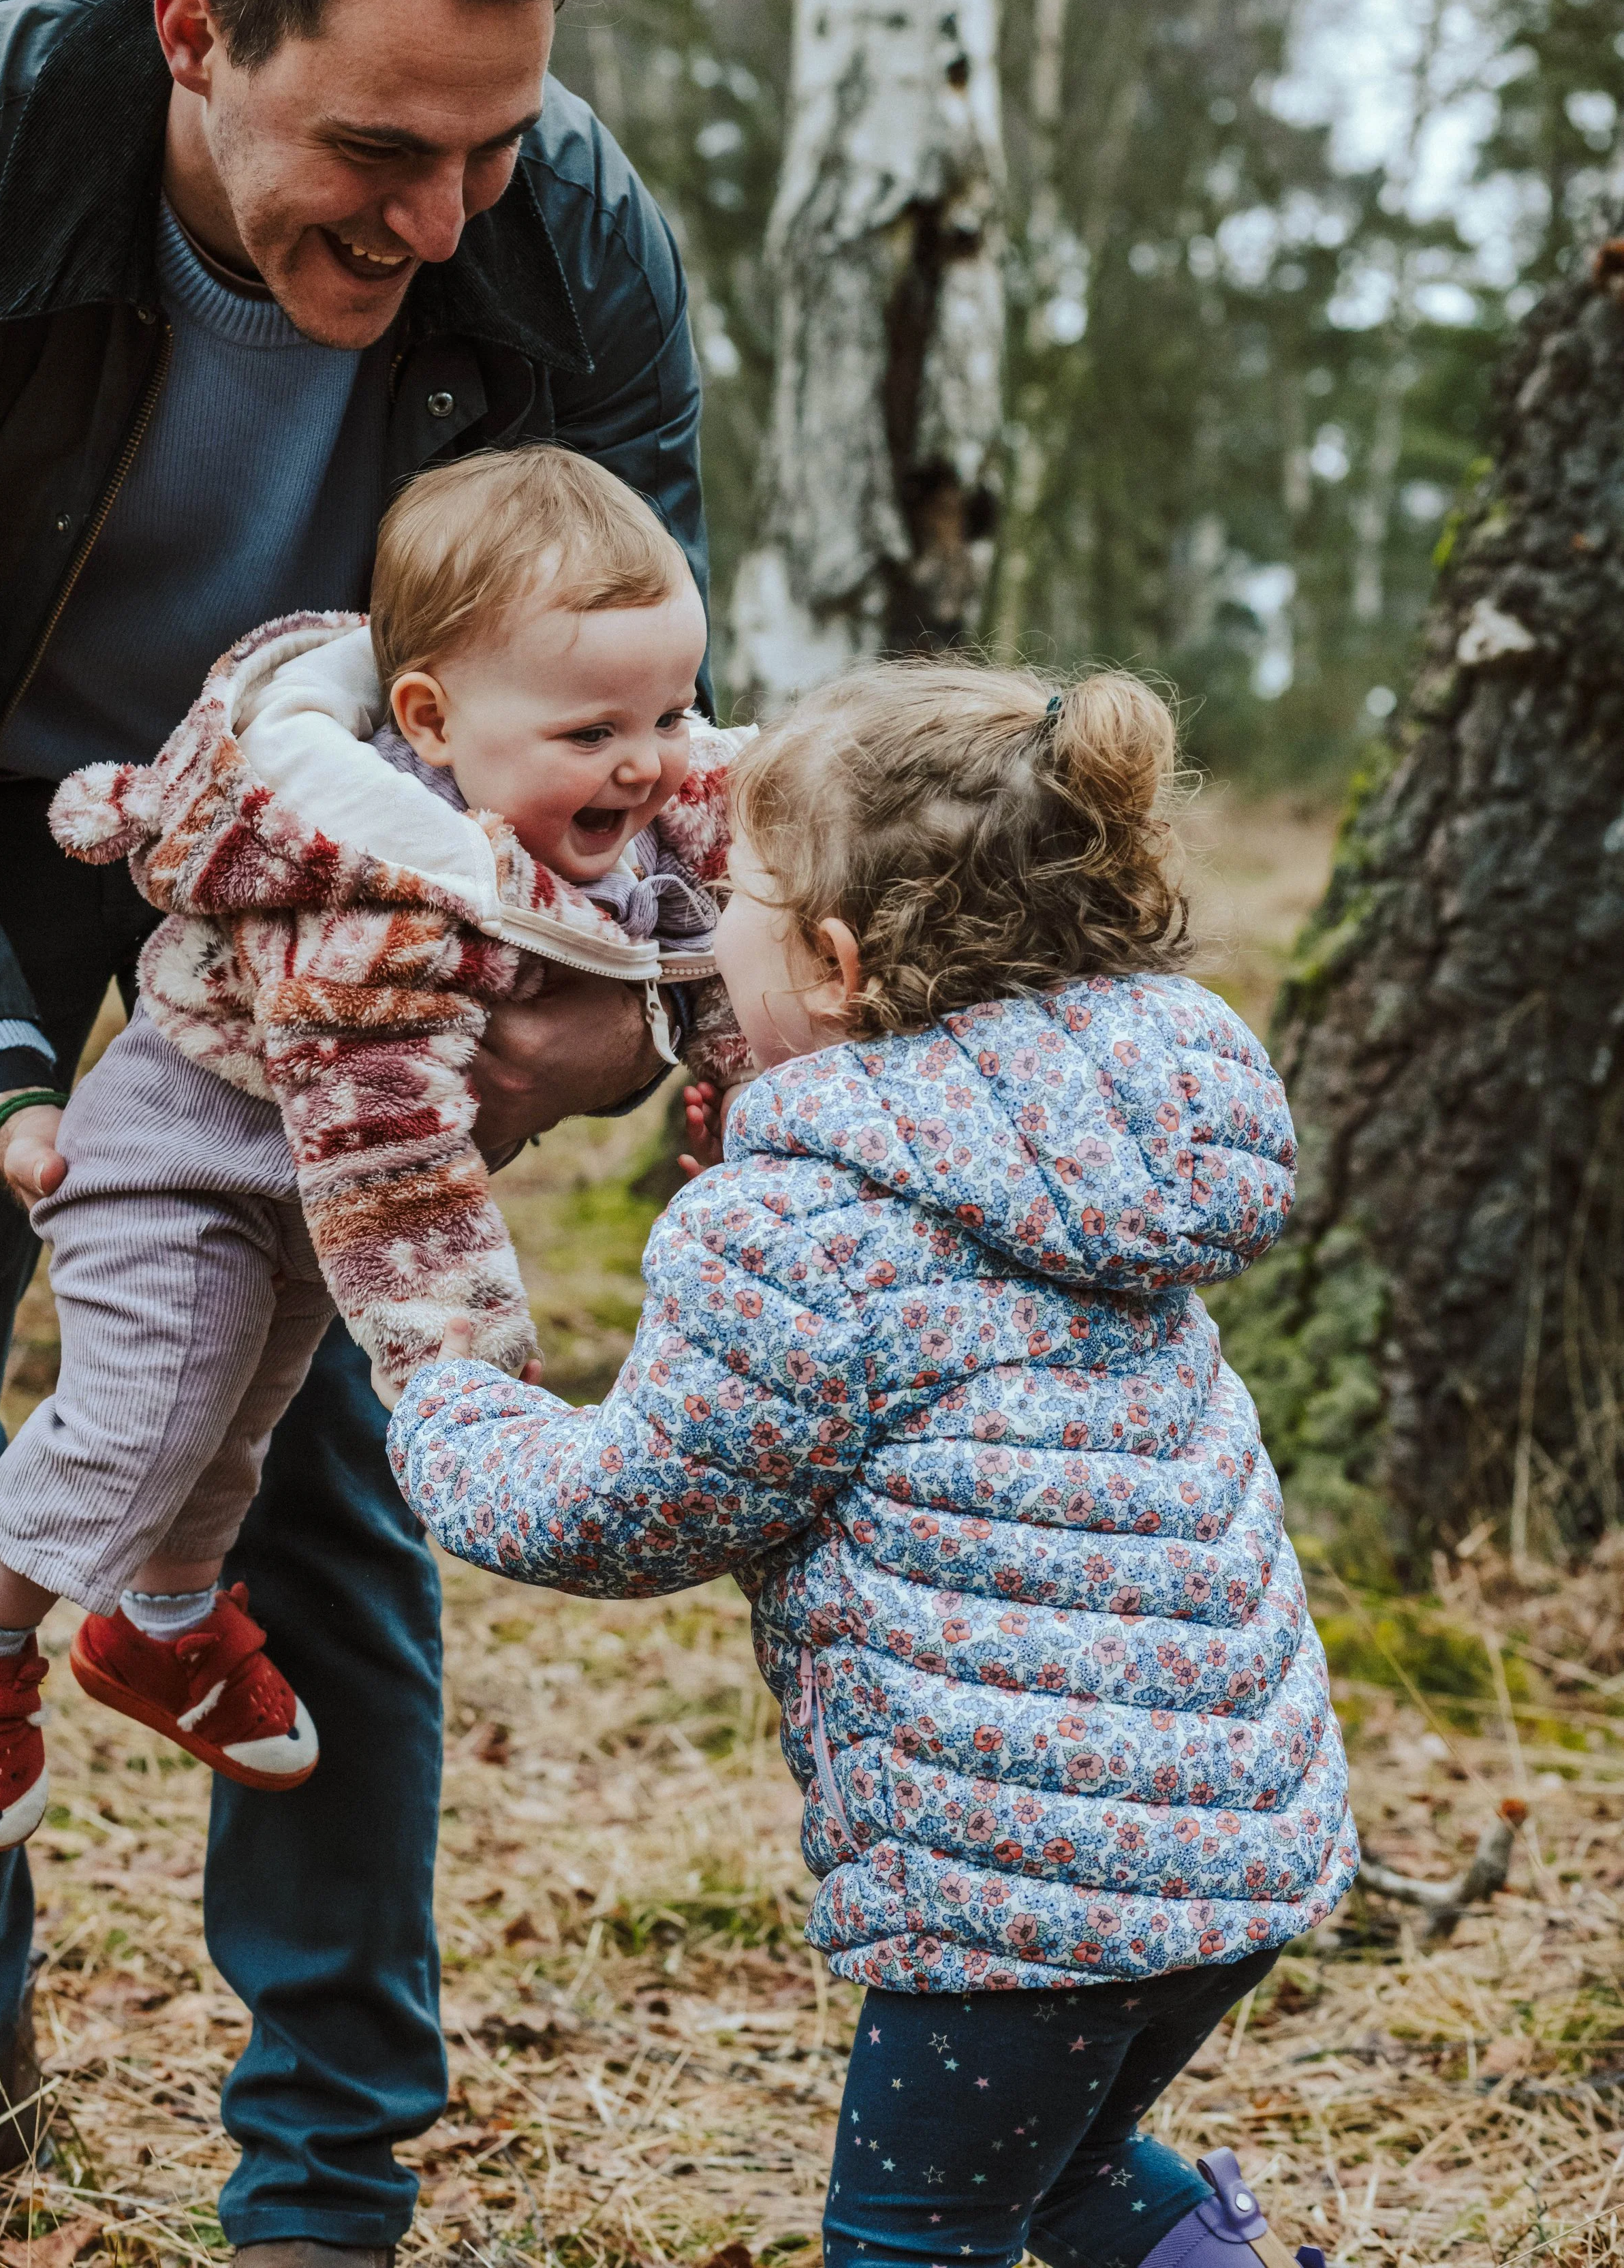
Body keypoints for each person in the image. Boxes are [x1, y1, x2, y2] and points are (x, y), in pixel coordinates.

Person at [0, 0, 708, 2248]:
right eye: (382, 150)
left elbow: (634, 694)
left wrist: (619, 995)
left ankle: (327, 2171)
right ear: (194, 34)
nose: (447, 214)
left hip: (334, 887)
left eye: (493, 139)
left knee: (345, 1454)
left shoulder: (568, 237)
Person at [384, 661, 1355, 2268]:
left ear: (831, 963)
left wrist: (449, 1401)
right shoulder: (1114, 1135)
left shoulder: (796, 1226)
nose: (712, 926)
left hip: (1010, 1893)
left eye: (739, 899)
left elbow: (630, 1509)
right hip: (1240, 1838)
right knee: (1060, 2172)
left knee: (910, 2236)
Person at [0, 447, 748, 1848]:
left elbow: (715, 902)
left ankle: (160, 1624)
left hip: (295, 1188)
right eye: (596, 727)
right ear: (427, 716)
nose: (648, 758)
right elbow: (391, 1172)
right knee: (148, 1413)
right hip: (183, 1165)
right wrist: (458, 1378)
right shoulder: (371, 900)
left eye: (670, 707)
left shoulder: (593, 787)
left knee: (240, 1414)